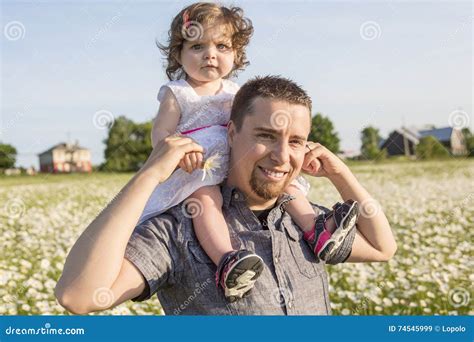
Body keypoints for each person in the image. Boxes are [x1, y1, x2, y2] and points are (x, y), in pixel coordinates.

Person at [55, 75, 397, 315]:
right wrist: (149, 175)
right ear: (230, 133)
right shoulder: (182, 227)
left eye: (295, 141)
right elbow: (78, 295)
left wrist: (341, 173)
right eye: (266, 135)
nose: (282, 155)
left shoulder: (308, 222)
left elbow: (383, 248)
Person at [137, 2, 359, 301]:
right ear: (178, 54)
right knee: (205, 201)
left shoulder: (236, 93)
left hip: (237, 161)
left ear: (236, 55)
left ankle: (316, 232)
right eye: (197, 46)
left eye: (222, 46)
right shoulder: (179, 93)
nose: (210, 55)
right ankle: (227, 259)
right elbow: (161, 133)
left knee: (289, 186)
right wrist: (176, 154)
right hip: (201, 164)